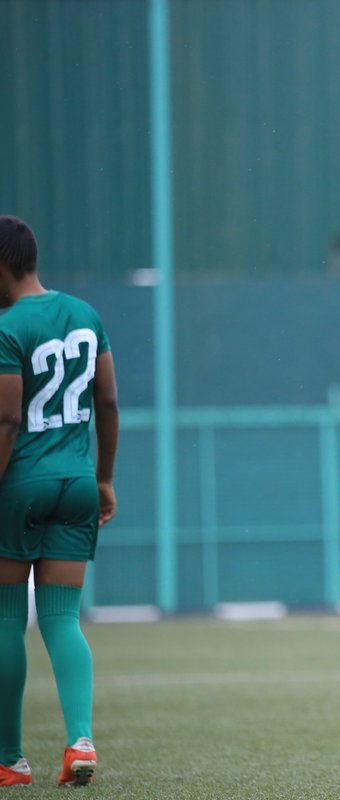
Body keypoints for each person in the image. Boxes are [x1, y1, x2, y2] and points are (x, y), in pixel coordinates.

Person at [0, 216, 119, 787]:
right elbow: (110, 403)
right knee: (63, 619)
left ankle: (10, 760)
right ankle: (79, 741)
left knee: (4, 621)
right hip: (77, 482)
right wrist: (104, 479)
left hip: (20, 482)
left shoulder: (6, 326)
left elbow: (6, 418)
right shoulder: (86, 315)